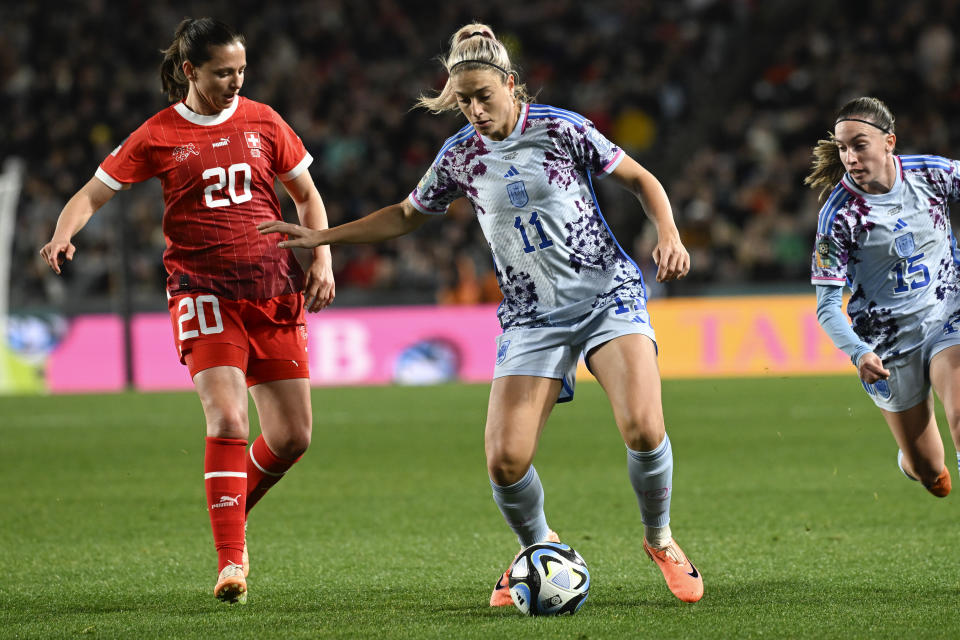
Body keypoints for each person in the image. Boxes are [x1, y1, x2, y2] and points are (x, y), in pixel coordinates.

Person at [259, 23, 703, 604]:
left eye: (481, 97)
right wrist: (323, 235)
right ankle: (538, 548)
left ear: (511, 85)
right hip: (530, 317)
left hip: (604, 296)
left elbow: (641, 180)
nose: (472, 109)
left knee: (643, 428)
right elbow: (404, 215)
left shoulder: (560, 129)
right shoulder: (460, 156)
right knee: (504, 460)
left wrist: (668, 233)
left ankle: (661, 539)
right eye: (462, 100)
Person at [39, 17, 335, 604]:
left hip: (273, 290)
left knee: (294, 436)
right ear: (189, 71)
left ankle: (226, 508)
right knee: (227, 420)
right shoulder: (159, 134)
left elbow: (307, 196)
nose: (235, 81)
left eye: (241, 70)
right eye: (223, 72)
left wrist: (320, 262)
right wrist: (63, 232)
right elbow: (92, 193)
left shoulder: (264, 120)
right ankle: (232, 563)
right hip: (201, 292)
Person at [807, 96, 960, 499]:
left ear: (889, 141)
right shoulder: (838, 215)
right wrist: (859, 353)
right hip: (889, 345)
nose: (850, 157)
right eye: (842, 148)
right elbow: (826, 307)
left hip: (949, 314)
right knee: (930, 470)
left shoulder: (932, 173)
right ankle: (916, 465)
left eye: (859, 145)